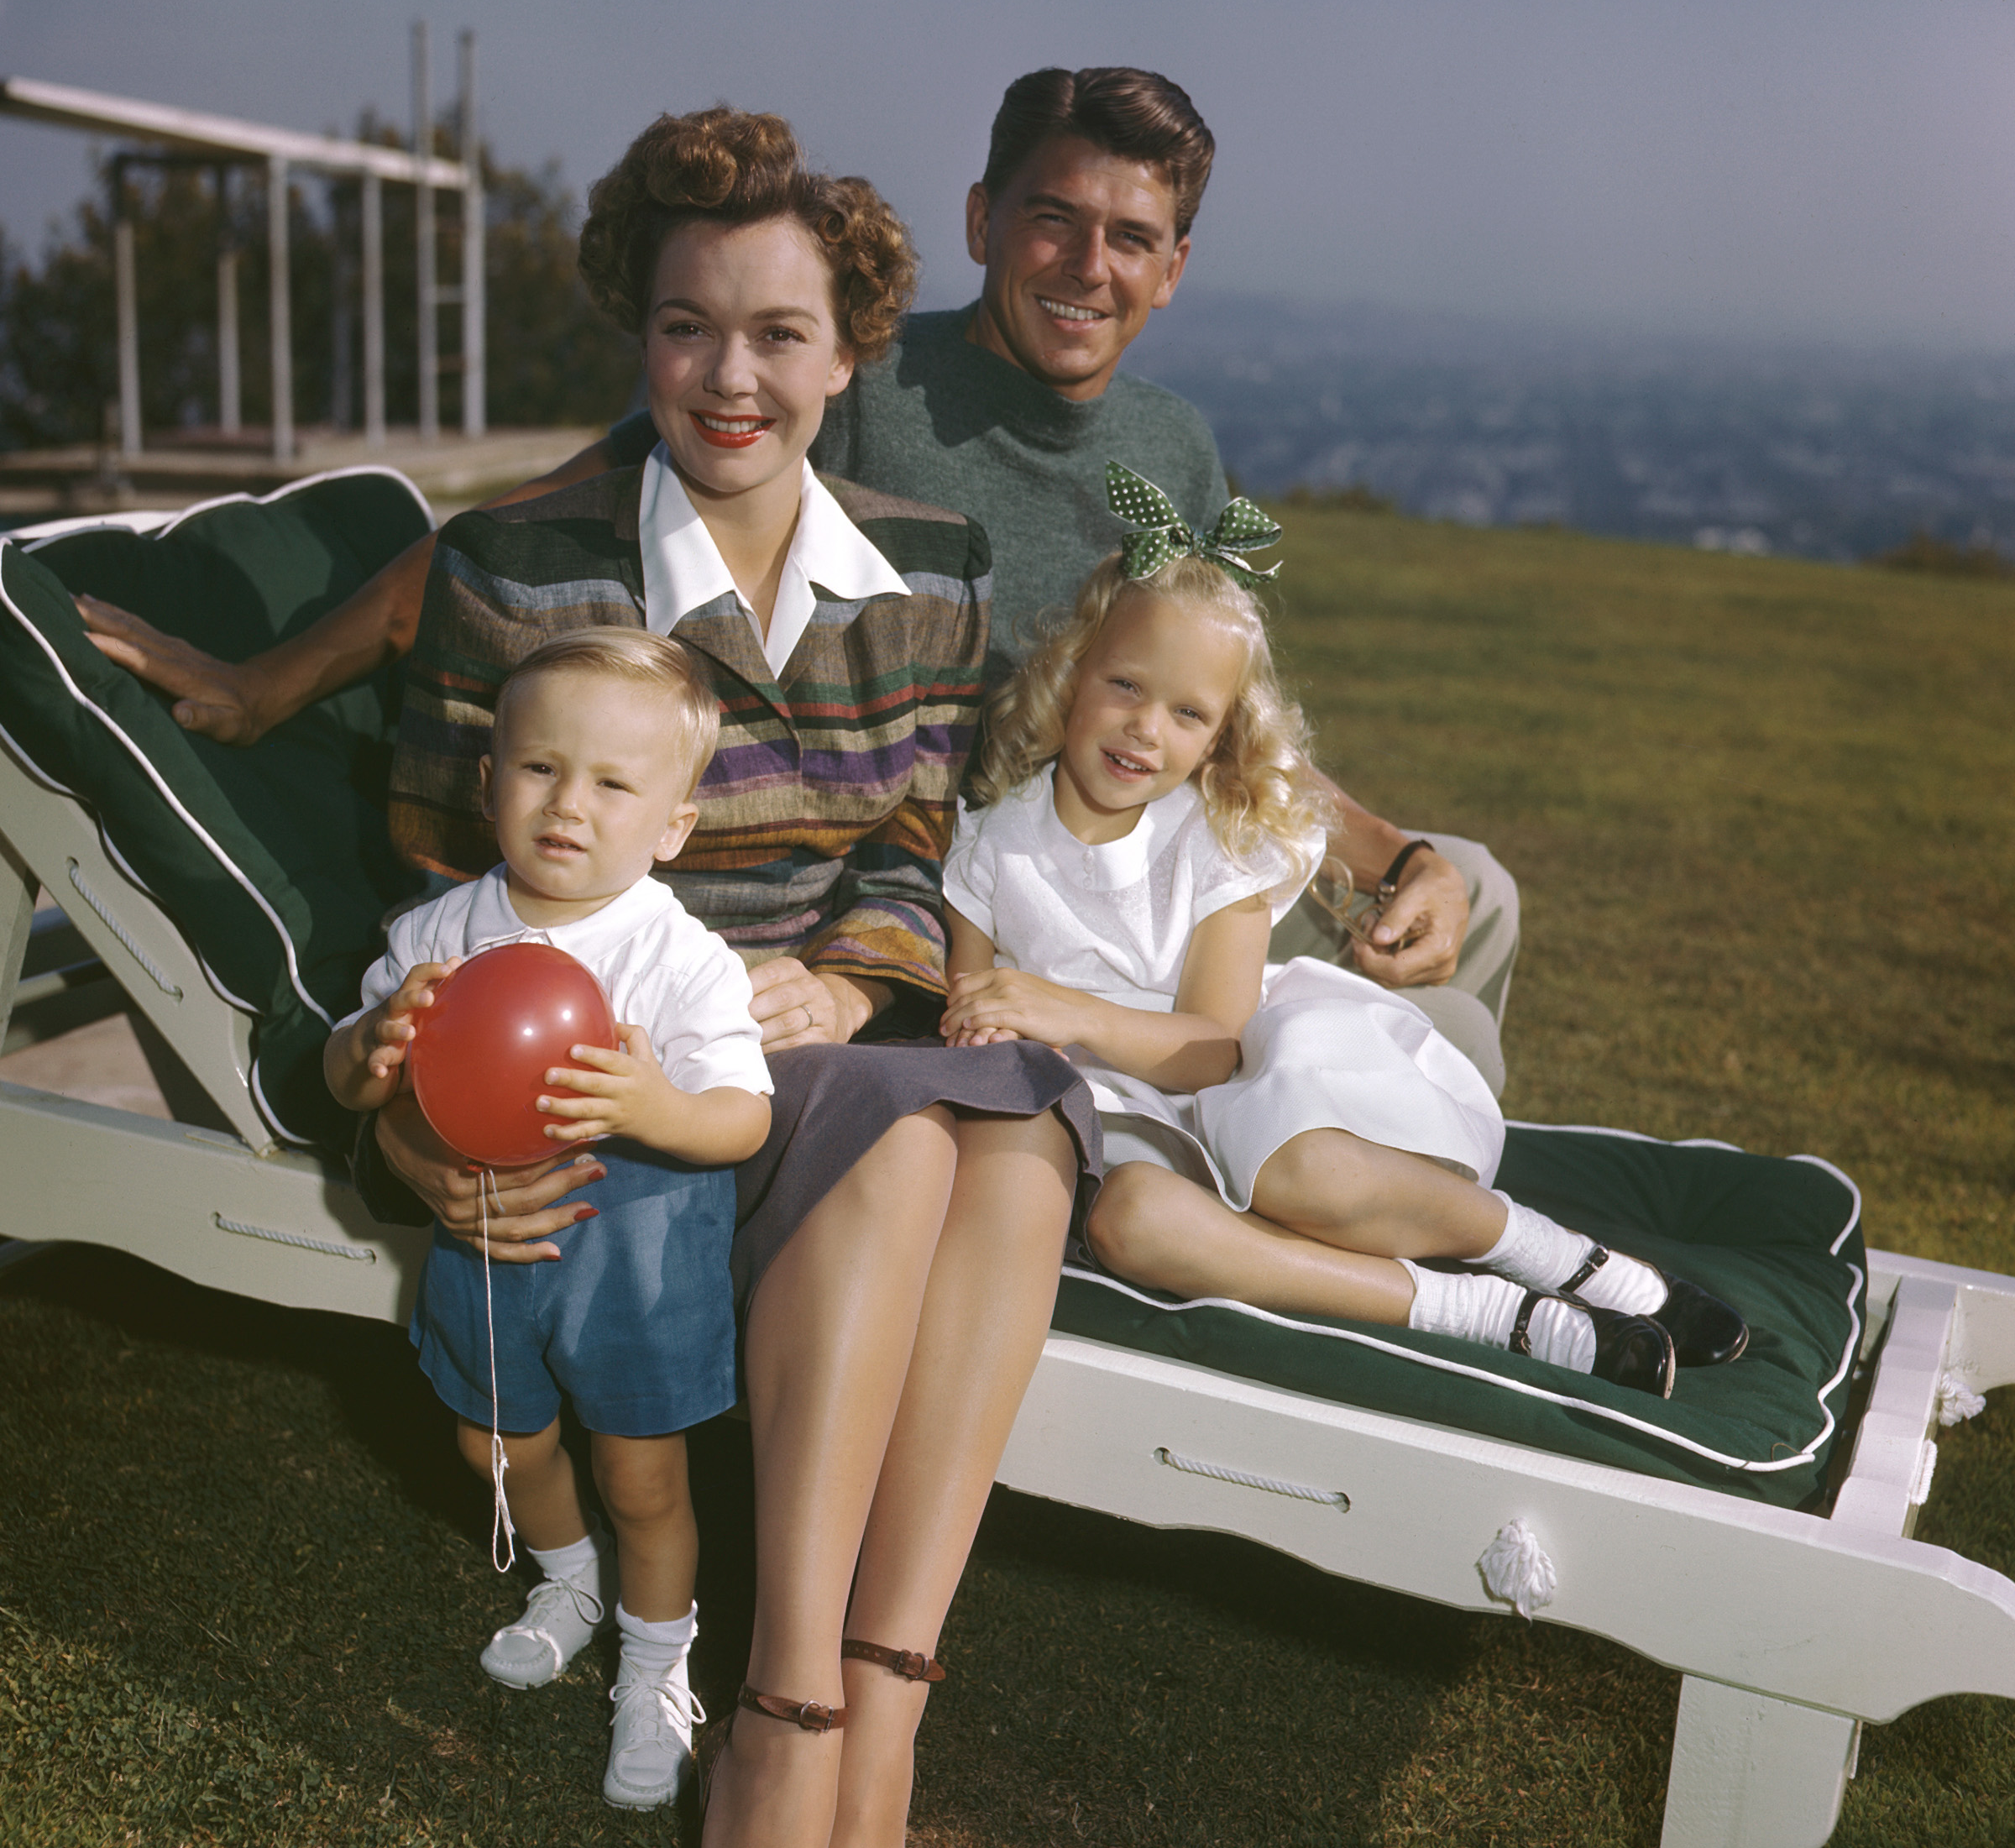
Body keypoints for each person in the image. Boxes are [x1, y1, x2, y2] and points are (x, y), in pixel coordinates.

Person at [73, 68, 1520, 1086]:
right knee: (1402, 1040)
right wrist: (263, 684)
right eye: (1052, 220)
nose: (1088, 265)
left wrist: (1390, 854)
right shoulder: (850, 379)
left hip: (1145, 828)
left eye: (1131, 237)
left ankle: (1383, 1172)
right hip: (1007, 867)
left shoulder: (1173, 448)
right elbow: (538, 528)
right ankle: (1367, 1212)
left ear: (1176, 267)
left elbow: (1202, 706)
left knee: (1478, 892)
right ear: (978, 222)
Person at [358, 105, 1099, 1848]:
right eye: (688, 327)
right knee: (967, 1131)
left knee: (998, 1131)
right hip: (634, 1119)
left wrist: (846, 993)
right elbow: (432, 900)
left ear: (852, 350)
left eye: (779, 332)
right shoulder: (518, 571)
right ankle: (792, 1725)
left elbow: (909, 850)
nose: (731, 375)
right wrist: (422, 1132)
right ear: (639, 334)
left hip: (807, 1069)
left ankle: (852, 1720)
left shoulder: (926, 572)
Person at [942, 501, 1749, 1390]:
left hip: (1242, 1087)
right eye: (1124, 685)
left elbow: (1216, 1047)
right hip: (1110, 1131)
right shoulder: (990, 845)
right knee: (1131, 1225)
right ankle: (1479, 1313)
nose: (1145, 729)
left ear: (1220, 736)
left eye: (1187, 713)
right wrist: (996, 1020)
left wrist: (1063, 1009)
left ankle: (1560, 1260)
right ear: (1070, 672)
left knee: (1304, 1174)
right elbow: (970, 1015)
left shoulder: (1218, 834)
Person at [326, 628, 774, 1812]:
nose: (569, 805)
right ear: (489, 784)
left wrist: (658, 1104)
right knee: (496, 1444)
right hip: (490, 1250)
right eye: (538, 769)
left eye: (615, 784)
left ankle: (655, 1658)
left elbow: (742, 1119)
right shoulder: (439, 933)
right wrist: (366, 1053)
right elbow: (348, 1069)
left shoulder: (681, 956)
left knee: (644, 1478)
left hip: (635, 1258)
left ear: (674, 824)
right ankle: (569, 1584)